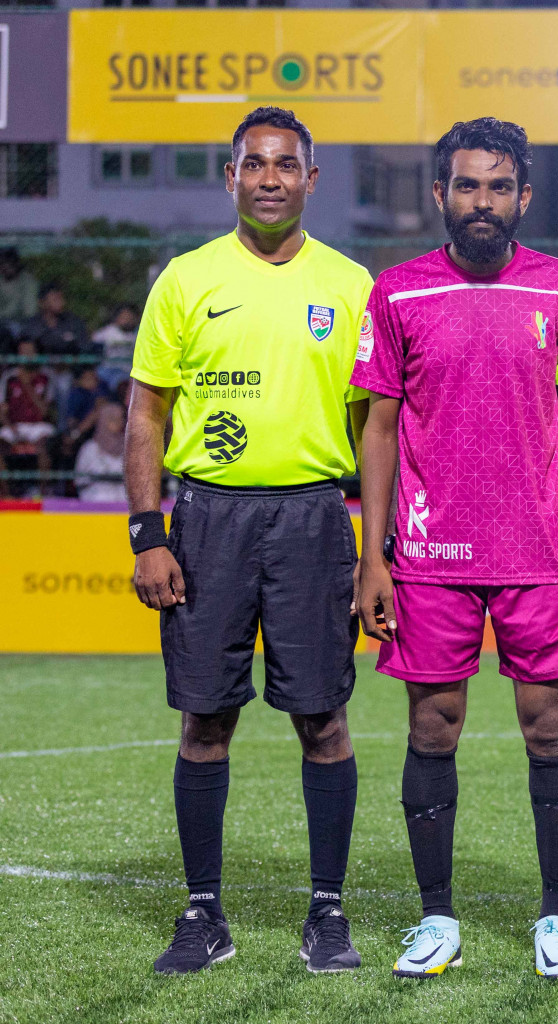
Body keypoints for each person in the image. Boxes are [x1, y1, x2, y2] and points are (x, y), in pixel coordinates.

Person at [124, 106, 374, 976]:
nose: (270, 177)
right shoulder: (185, 280)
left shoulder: (350, 285)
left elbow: (371, 430)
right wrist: (147, 534)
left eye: (287, 164)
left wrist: (374, 553)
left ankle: (328, 913)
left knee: (323, 718)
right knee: (206, 718)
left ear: (313, 178)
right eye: (254, 164)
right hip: (206, 521)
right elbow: (145, 415)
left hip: (312, 518)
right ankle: (202, 914)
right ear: (229, 177)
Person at [351, 117, 558, 981]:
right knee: (434, 724)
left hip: (537, 547)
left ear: (523, 197)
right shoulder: (397, 292)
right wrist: (372, 554)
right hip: (429, 553)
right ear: (440, 197)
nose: (482, 201)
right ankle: (436, 920)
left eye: (498, 186)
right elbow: (377, 426)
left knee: (547, 725)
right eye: (467, 185)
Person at [0, 338, 57, 492]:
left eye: (30, 352)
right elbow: (2, 409)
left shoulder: (46, 376)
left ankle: (42, 493)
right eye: (22, 352)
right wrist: (10, 427)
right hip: (14, 425)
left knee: (43, 445)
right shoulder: (9, 377)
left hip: (39, 426)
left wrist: (27, 385)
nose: (26, 356)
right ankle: (6, 495)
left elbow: (45, 411)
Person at [74, 401, 128, 503]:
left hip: (121, 495)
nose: (119, 423)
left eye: (120, 419)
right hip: (96, 496)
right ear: (103, 420)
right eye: (113, 419)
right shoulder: (90, 448)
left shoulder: (127, 447)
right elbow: (79, 480)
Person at [20, 283, 88, 358]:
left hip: (68, 367)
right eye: (55, 299)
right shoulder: (31, 325)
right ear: (42, 303)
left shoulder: (73, 322)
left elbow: (83, 347)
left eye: (61, 298)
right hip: (39, 367)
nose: (61, 303)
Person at [94, 303, 141, 390]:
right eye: (124, 317)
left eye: (129, 317)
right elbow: (93, 341)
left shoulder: (139, 332)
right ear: (117, 318)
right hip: (109, 369)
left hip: (129, 370)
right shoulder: (108, 331)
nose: (127, 320)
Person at [0, 247, 39, 331]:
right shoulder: (2, 280)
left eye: (4, 264)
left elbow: (29, 311)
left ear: (15, 263)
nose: (2, 268)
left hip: (20, 323)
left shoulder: (27, 281)